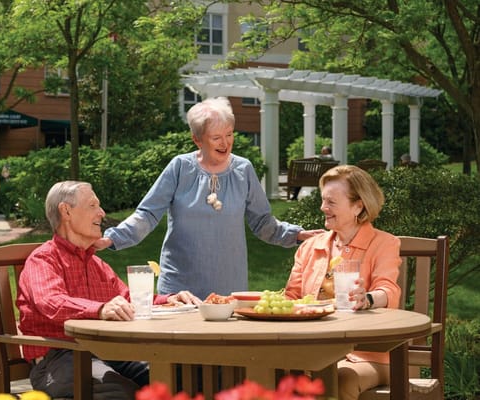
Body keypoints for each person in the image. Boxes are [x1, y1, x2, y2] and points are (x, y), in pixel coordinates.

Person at [94, 97, 323, 300]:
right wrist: (112, 239)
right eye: (216, 137)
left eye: (229, 134)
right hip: (179, 286)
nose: (225, 143)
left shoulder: (243, 170)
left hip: (229, 287)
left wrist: (297, 234)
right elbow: (148, 214)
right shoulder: (180, 168)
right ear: (197, 140)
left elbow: (262, 222)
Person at [17, 181, 200, 400]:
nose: (102, 213)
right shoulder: (44, 259)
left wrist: (171, 300)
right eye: (93, 205)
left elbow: (127, 298)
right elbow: (52, 302)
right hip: (59, 358)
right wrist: (101, 309)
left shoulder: (96, 264)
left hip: (108, 352)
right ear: (66, 211)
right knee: (120, 393)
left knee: (179, 377)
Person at [284, 165, 402, 400]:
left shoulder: (385, 244)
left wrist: (367, 298)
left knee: (339, 379)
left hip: (366, 357)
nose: (322, 207)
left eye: (331, 202)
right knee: (264, 372)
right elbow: (291, 298)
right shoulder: (311, 247)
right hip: (310, 352)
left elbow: (388, 290)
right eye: (322, 200)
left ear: (358, 205)